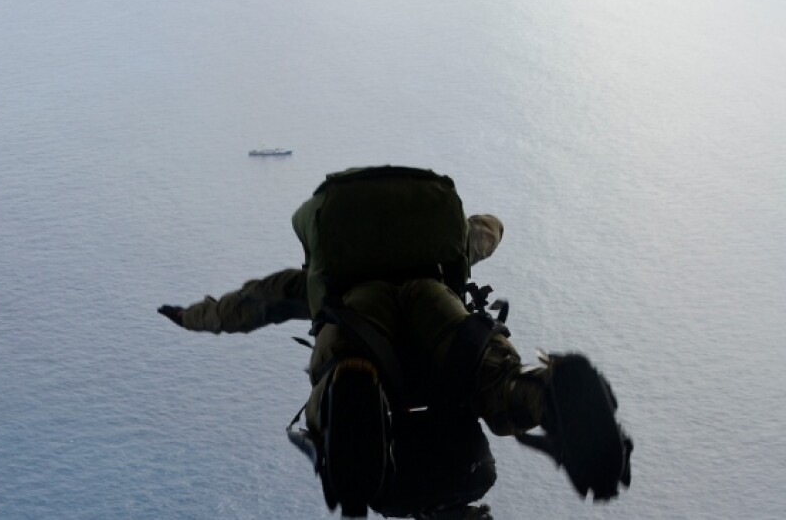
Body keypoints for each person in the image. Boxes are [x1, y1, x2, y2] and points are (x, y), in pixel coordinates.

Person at [159, 166, 631, 518]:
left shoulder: (318, 279)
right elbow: (486, 232)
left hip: (358, 313)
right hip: (434, 299)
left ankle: (352, 391)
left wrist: (192, 317)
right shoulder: (444, 251)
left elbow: (249, 304)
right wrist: (492, 225)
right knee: (491, 376)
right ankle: (543, 394)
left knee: (344, 368)